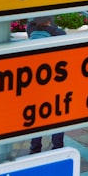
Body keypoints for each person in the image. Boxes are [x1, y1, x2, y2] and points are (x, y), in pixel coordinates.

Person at [27, 16, 66, 154]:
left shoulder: (31, 30)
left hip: (35, 81)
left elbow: (30, 22)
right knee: (57, 113)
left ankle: (35, 146)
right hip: (54, 79)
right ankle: (57, 146)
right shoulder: (59, 34)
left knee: (36, 115)